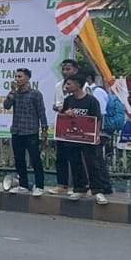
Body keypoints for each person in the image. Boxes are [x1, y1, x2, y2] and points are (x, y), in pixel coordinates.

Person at [58, 75, 111, 204]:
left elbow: (97, 119)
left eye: (69, 84)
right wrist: (65, 113)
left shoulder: (91, 101)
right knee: (75, 163)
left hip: (87, 138)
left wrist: (96, 135)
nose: (66, 87)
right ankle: (79, 188)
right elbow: (62, 116)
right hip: (72, 137)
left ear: (77, 84)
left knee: (92, 163)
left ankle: (98, 190)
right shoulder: (68, 100)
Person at [3, 68, 48, 196]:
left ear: (27, 78)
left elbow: (41, 112)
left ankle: (39, 186)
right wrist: (12, 91)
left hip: (31, 131)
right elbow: (6, 106)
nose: (17, 79)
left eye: (20, 76)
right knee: (19, 159)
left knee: (35, 160)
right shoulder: (14, 94)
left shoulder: (35, 94)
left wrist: (44, 131)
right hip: (17, 131)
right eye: (16, 76)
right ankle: (23, 184)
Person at [49, 58, 87, 194]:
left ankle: (80, 186)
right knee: (61, 157)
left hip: (79, 127)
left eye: (68, 69)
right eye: (63, 69)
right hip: (62, 125)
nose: (65, 72)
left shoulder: (85, 86)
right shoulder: (58, 85)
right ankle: (62, 185)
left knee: (77, 159)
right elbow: (55, 104)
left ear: (75, 70)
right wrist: (59, 108)